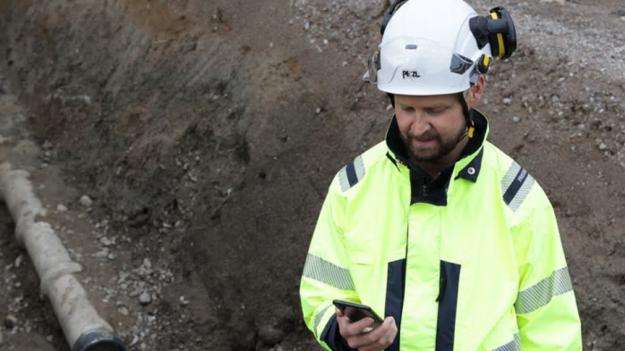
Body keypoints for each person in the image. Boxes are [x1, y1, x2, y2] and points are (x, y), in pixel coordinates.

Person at [299, 0, 582, 350]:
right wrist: (341, 334)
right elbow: (321, 290)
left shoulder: (518, 202)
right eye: (406, 108)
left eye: (435, 110)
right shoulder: (353, 186)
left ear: (474, 89)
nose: (418, 126)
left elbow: (552, 333)